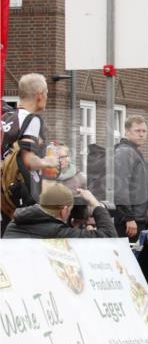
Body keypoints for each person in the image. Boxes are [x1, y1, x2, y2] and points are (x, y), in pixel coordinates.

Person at [1, 73, 58, 231]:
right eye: (46, 93)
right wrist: (50, 162)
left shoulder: (6, 117)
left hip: (4, 194)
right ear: (40, 95)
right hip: (21, 195)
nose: (47, 97)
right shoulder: (32, 120)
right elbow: (28, 160)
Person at [4, 182, 116, 239]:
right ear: (64, 210)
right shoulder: (56, 231)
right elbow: (110, 237)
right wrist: (95, 203)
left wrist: (73, 226)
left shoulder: (14, 223)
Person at [113, 115, 148, 240]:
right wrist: (128, 218)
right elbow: (120, 187)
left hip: (138, 219)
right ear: (127, 132)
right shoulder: (125, 152)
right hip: (130, 222)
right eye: (137, 131)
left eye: (144, 131)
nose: (141, 134)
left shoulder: (133, 151)